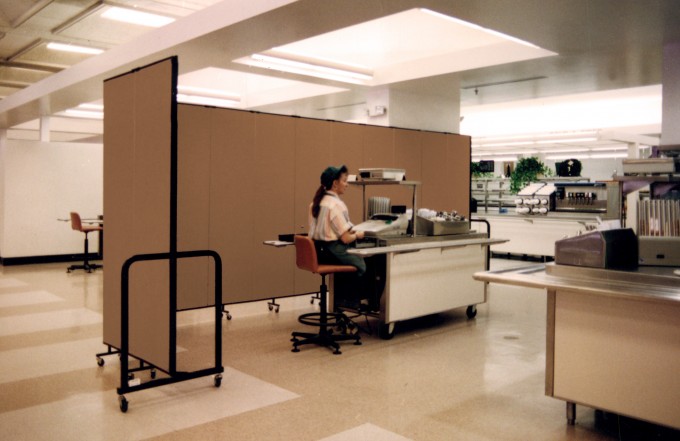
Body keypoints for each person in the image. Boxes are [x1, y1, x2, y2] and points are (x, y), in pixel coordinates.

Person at [309, 165, 366, 276]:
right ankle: (358, 293)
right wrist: (358, 235)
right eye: (344, 181)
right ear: (335, 183)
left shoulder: (315, 203)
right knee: (363, 264)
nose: (347, 184)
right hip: (334, 252)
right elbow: (346, 239)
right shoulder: (336, 205)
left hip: (320, 253)